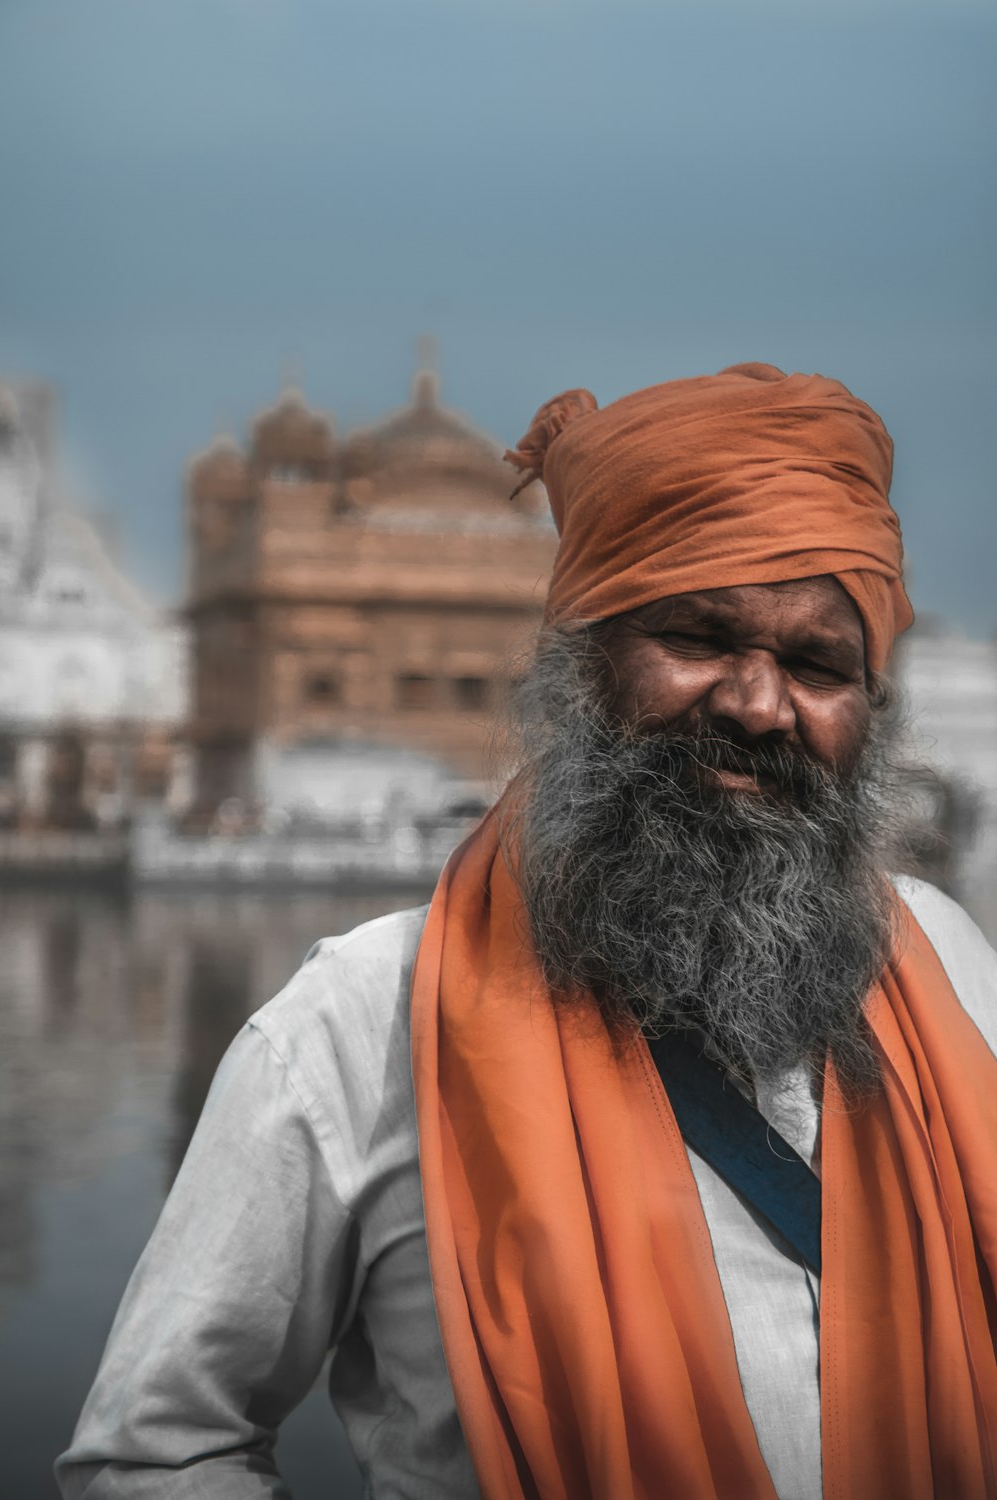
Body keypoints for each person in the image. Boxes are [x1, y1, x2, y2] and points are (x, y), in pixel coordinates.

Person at [57, 363, 997, 1500]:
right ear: (581, 669)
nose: (758, 703)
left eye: (815, 665)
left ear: (868, 713)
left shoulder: (943, 967)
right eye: (697, 637)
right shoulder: (361, 1025)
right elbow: (153, 1450)